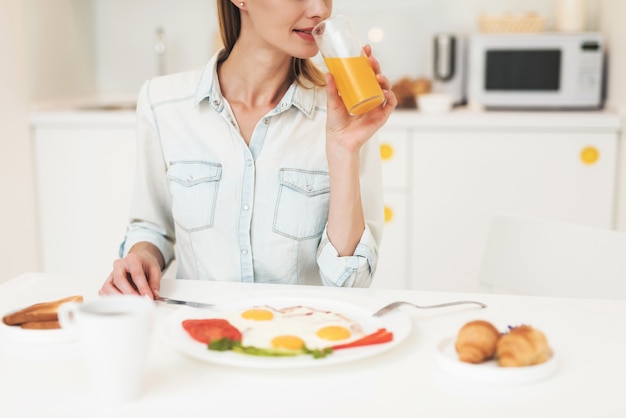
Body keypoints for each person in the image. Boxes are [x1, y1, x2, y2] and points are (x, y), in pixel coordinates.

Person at [99, 0, 397, 298]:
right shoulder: (163, 103)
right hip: (200, 336)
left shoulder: (346, 112)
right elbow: (152, 229)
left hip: (300, 335)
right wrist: (142, 259)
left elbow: (350, 284)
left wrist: (343, 150)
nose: (320, 9)